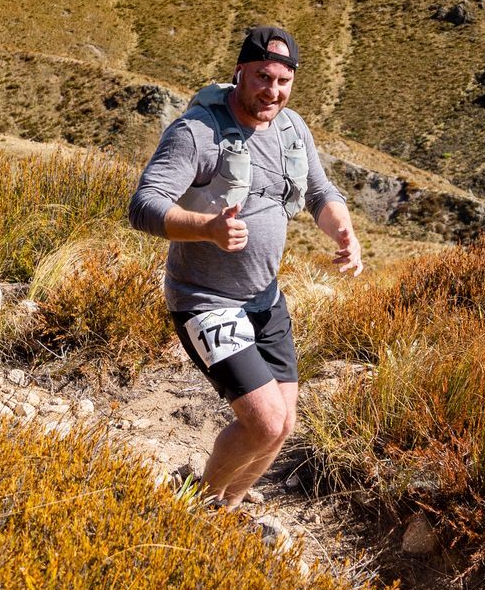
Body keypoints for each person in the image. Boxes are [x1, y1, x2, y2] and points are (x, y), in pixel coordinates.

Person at [128, 25, 363, 509]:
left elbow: (321, 194)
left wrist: (344, 231)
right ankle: (194, 506)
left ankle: (225, 508)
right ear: (240, 72)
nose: (271, 91)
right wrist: (205, 227)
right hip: (205, 299)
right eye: (261, 77)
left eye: (282, 81)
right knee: (265, 422)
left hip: (266, 299)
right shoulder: (198, 134)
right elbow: (144, 204)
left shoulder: (292, 129)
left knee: (283, 426)